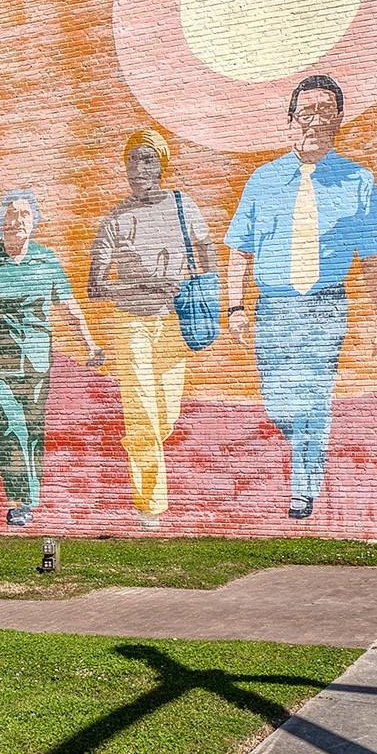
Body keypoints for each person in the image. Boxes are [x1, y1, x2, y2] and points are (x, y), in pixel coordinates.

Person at [225, 74, 377, 520]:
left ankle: (305, 486)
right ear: (290, 121)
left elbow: (374, 256)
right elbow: (240, 249)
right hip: (274, 308)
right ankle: (297, 441)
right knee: (279, 400)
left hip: (325, 305)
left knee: (315, 396)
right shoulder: (262, 181)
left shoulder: (358, 180)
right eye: (306, 112)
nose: (314, 121)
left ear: (339, 120)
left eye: (325, 112)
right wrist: (236, 307)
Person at [88, 129, 214, 528]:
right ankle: (150, 505)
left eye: (147, 159)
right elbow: (95, 286)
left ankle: (143, 449)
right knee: (142, 412)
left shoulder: (183, 206)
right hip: (131, 325)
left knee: (165, 415)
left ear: (162, 164)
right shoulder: (115, 219)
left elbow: (207, 253)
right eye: (132, 160)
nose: (139, 168)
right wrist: (145, 283)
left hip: (173, 324)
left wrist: (203, 290)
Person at [0, 189, 104, 528]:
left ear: (34, 221)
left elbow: (68, 307)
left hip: (38, 358)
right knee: (11, 426)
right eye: (11, 214)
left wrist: (90, 345)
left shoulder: (46, 259)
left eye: (24, 214)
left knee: (35, 429)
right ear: (1, 222)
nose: (17, 220)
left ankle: (31, 497)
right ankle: (16, 501)